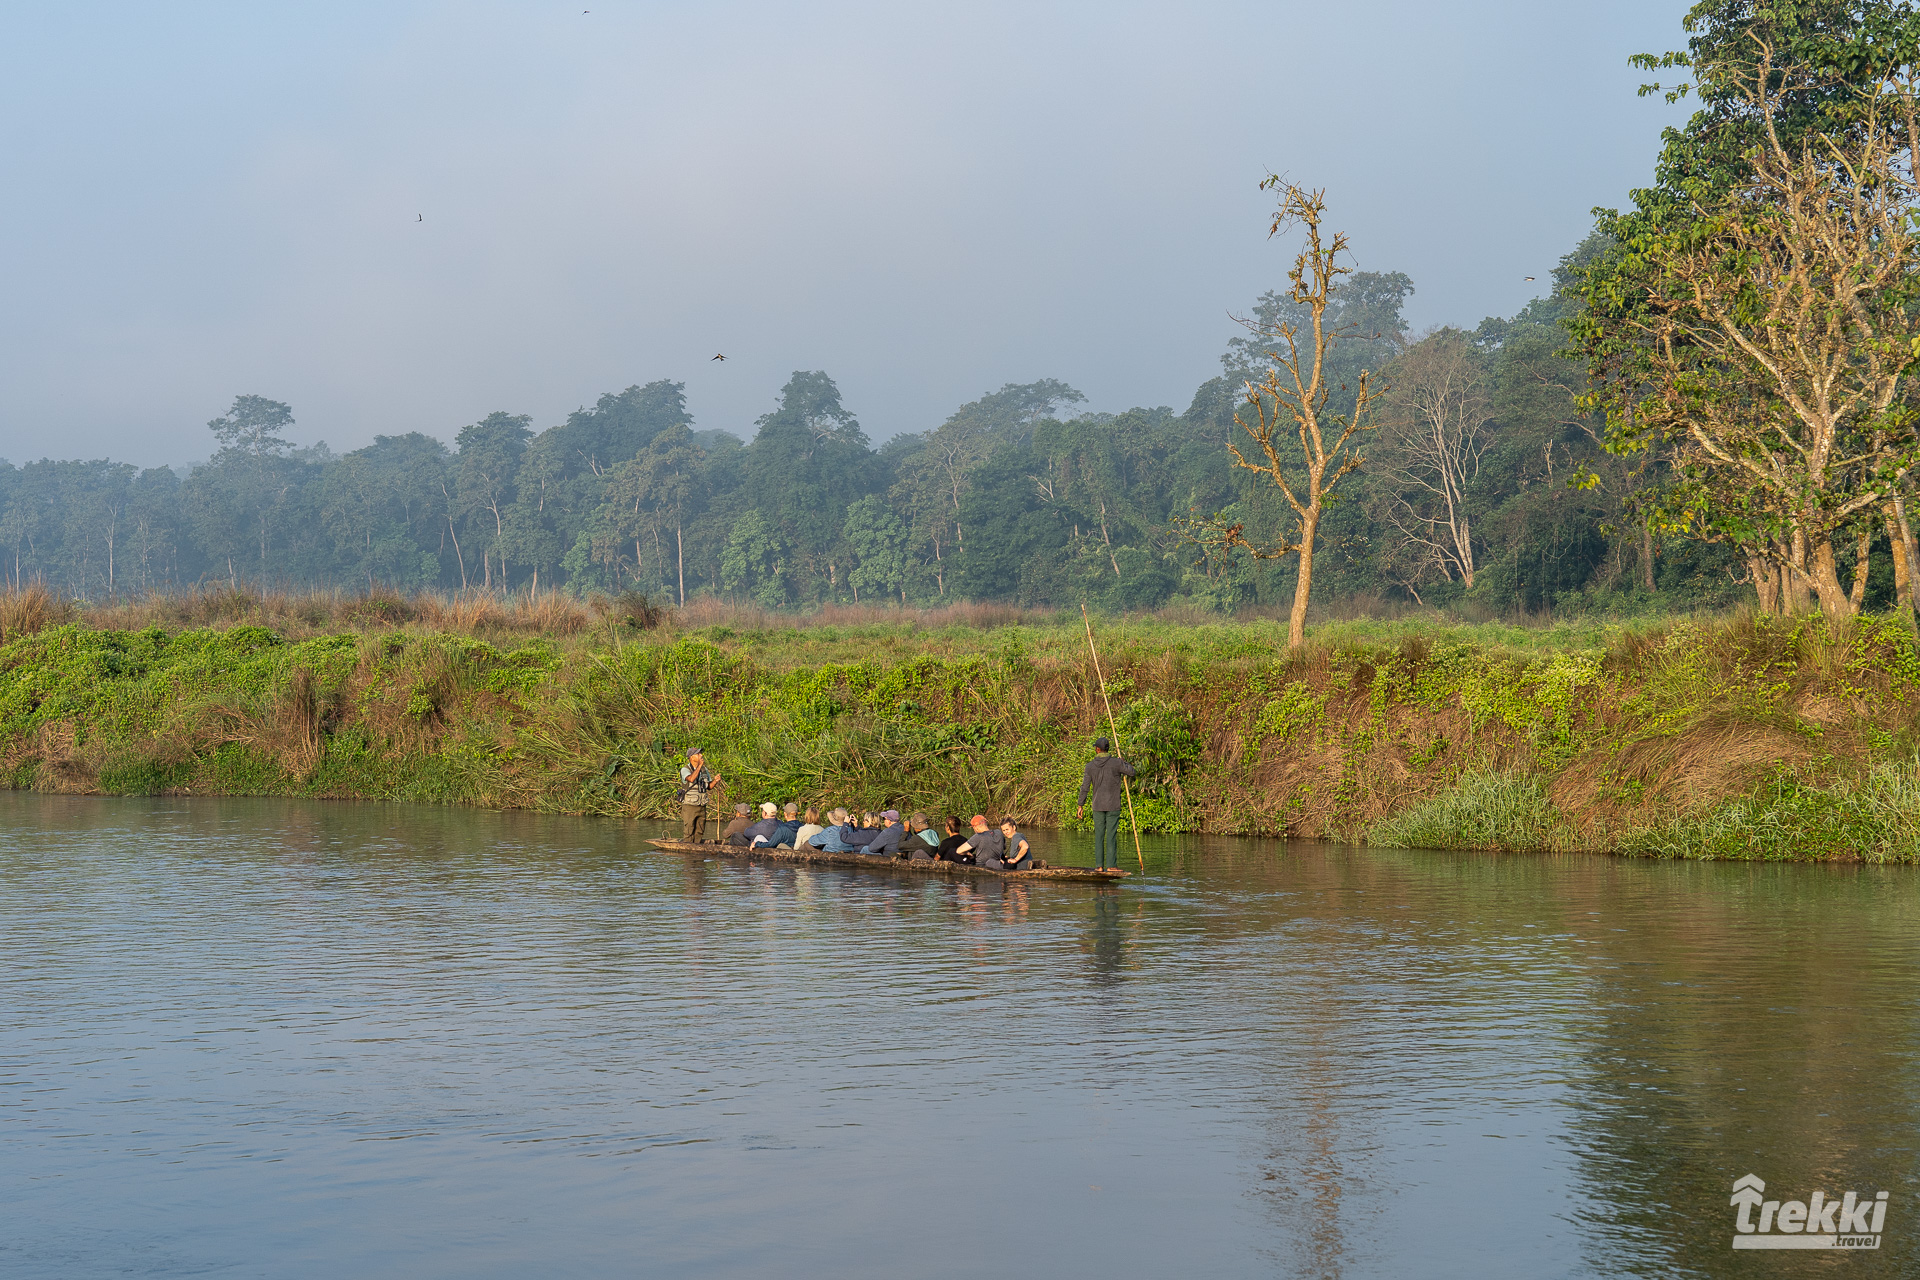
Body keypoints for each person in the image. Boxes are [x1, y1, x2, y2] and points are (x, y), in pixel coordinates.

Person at [1076, 736, 1137, 871]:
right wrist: (1124, 763)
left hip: (1098, 806)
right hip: (1113, 805)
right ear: (1107, 749)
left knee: (1099, 836)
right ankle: (1111, 866)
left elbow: (1085, 787)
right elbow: (1132, 772)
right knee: (1111, 836)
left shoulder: (1090, 766)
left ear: (1098, 750)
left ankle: (1099, 866)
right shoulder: (1116, 763)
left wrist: (1081, 805)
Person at [678, 748, 722, 841]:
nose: (701, 755)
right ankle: (688, 850)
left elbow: (709, 786)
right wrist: (700, 766)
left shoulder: (704, 770)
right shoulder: (685, 769)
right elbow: (691, 779)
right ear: (692, 757)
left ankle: (696, 849)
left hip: (702, 805)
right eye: (698, 754)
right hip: (690, 805)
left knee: (700, 830)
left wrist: (715, 780)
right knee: (689, 830)